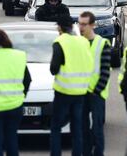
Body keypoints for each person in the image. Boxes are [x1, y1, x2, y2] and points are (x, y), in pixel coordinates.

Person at [50, 15, 94, 156]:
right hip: (81, 91)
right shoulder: (84, 42)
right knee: (77, 127)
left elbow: (54, 68)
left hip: (64, 91)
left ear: (60, 28)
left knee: (56, 126)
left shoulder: (60, 41)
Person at [79, 12, 111, 156]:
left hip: (97, 93)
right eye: (80, 23)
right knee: (83, 128)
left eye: (84, 24)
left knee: (97, 128)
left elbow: (105, 72)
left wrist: (96, 91)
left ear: (92, 25)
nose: (81, 27)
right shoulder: (78, 44)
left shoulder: (102, 43)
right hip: (81, 93)